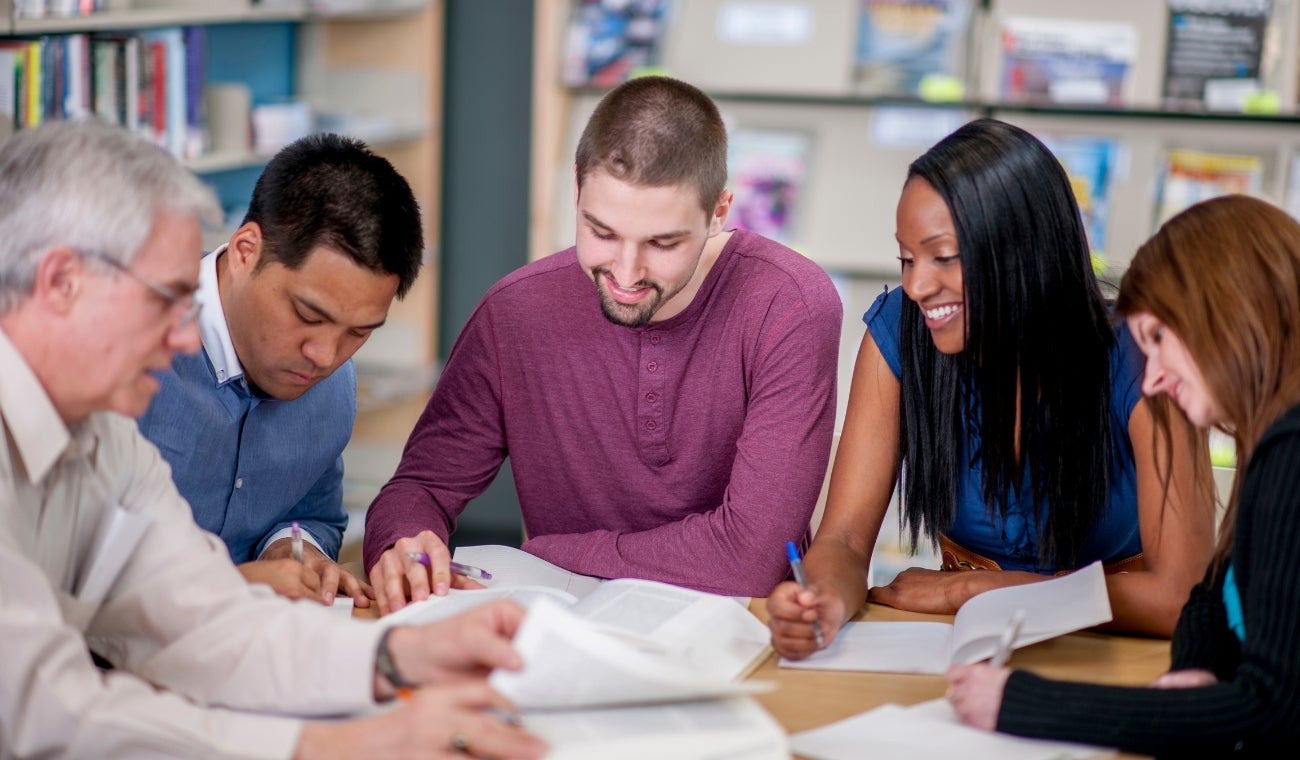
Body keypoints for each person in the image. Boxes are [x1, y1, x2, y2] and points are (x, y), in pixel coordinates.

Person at [0, 120, 544, 759]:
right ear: (62, 281)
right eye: (166, 302)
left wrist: (398, 656)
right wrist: (328, 746)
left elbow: (203, 618)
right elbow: (45, 715)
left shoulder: (104, 438)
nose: (184, 339)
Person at [363, 75, 843, 612]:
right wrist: (404, 541)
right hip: (566, 631)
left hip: (737, 632)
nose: (627, 272)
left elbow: (752, 559)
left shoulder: (790, 304)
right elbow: (419, 487)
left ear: (719, 212)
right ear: (576, 187)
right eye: (602, 232)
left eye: (663, 243)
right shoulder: (516, 311)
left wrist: (559, 552)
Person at [768, 119, 1215, 657]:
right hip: (956, 650)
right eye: (906, 259)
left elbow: (1180, 600)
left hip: (1116, 653)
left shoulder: (1146, 357)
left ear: (1023, 251)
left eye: (943, 257)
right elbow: (844, 540)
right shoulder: (900, 331)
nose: (916, 286)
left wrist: (974, 587)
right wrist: (822, 601)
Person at [947, 193, 1300, 755]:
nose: (1153, 380)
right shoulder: (1270, 437)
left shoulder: (1292, 456)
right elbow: (1212, 597)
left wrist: (1023, 704)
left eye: (1159, 339)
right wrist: (1195, 670)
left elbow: (1270, 707)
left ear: (1232, 310)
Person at [136, 133, 423, 609]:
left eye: (359, 331)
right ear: (247, 249)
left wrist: (294, 548)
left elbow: (312, 514)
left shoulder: (332, 387)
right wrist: (232, 587)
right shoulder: (126, 353)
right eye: (309, 316)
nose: (325, 356)